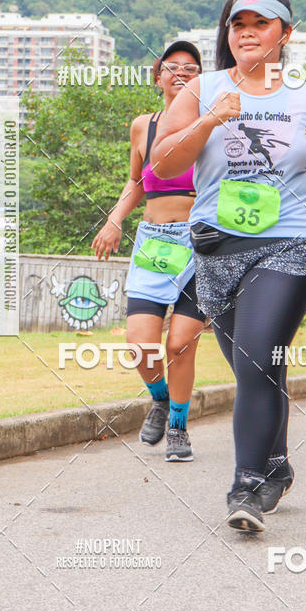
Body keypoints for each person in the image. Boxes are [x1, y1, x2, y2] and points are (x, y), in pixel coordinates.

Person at [149, 0, 306, 530]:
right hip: (218, 247)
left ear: (284, 34)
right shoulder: (202, 90)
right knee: (257, 369)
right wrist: (208, 121)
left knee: (258, 356)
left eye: (261, 23)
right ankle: (277, 465)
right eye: (237, 23)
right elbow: (164, 164)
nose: (246, 31)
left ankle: (245, 486)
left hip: (289, 242)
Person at [91, 41, 206, 462]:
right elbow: (137, 182)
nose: (181, 74)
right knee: (140, 342)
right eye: (172, 68)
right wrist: (114, 219)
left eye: (191, 69)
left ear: (201, 79)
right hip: (155, 242)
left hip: (201, 245)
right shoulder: (144, 126)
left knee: (180, 343)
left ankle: (178, 426)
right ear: (157, 77)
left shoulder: (210, 124)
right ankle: (159, 398)